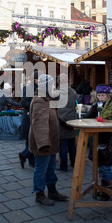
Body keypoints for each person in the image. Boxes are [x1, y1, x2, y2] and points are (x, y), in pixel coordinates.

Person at [29, 74, 67, 206]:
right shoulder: (40, 100)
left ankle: (52, 191)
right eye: (52, 85)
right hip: (44, 144)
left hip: (50, 142)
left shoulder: (47, 99)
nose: (54, 87)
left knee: (50, 168)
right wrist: (43, 143)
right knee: (41, 169)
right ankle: (39, 194)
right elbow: (39, 123)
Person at [85, 84, 112, 201]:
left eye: (103, 95)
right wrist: (93, 109)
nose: (101, 97)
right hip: (97, 137)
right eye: (98, 95)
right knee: (98, 164)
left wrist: (107, 115)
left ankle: (106, 190)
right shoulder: (97, 103)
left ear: (108, 95)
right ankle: (101, 187)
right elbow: (89, 117)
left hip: (109, 139)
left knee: (105, 165)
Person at [56, 73, 78, 171]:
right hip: (71, 119)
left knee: (62, 145)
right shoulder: (73, 92)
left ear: (59, 81)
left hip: (60, 119)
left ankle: (63, 166)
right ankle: (74, 163)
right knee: (72, 143)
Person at [18, 70, 39, 168]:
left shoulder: (38, 89)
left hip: (32, 117)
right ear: (36, 79)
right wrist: (35, 106)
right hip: (29, 117)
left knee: (30, 140)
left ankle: (31, 160)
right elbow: (23, 102)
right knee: (31, 140)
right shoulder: (28, 88)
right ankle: (24, 155)